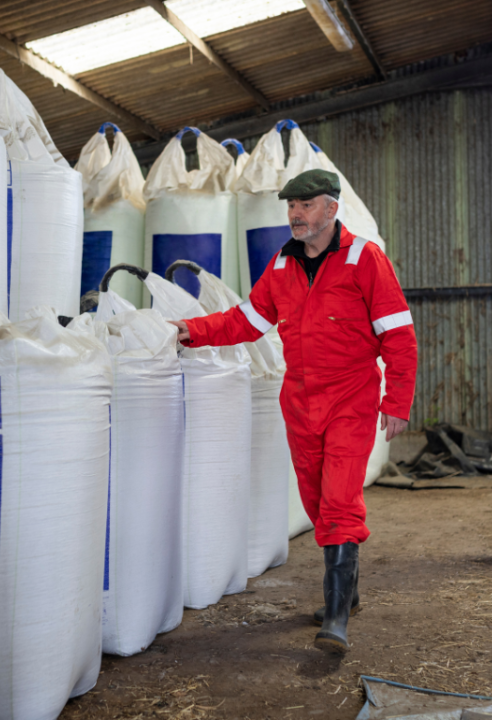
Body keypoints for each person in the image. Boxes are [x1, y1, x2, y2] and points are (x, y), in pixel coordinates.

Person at [168, 169, 417, 654]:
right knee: (318, 502)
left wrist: (398, 400)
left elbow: (399, 336)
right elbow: (246, 320)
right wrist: (192, 331)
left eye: (305, 205)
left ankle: (337, 618)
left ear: (331, 209)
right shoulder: (281, 267)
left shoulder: (365, 259)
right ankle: (349, 592)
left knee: (341, 499)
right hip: (300, 402)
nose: (295, 214)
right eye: (291, 206)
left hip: (350, 397)